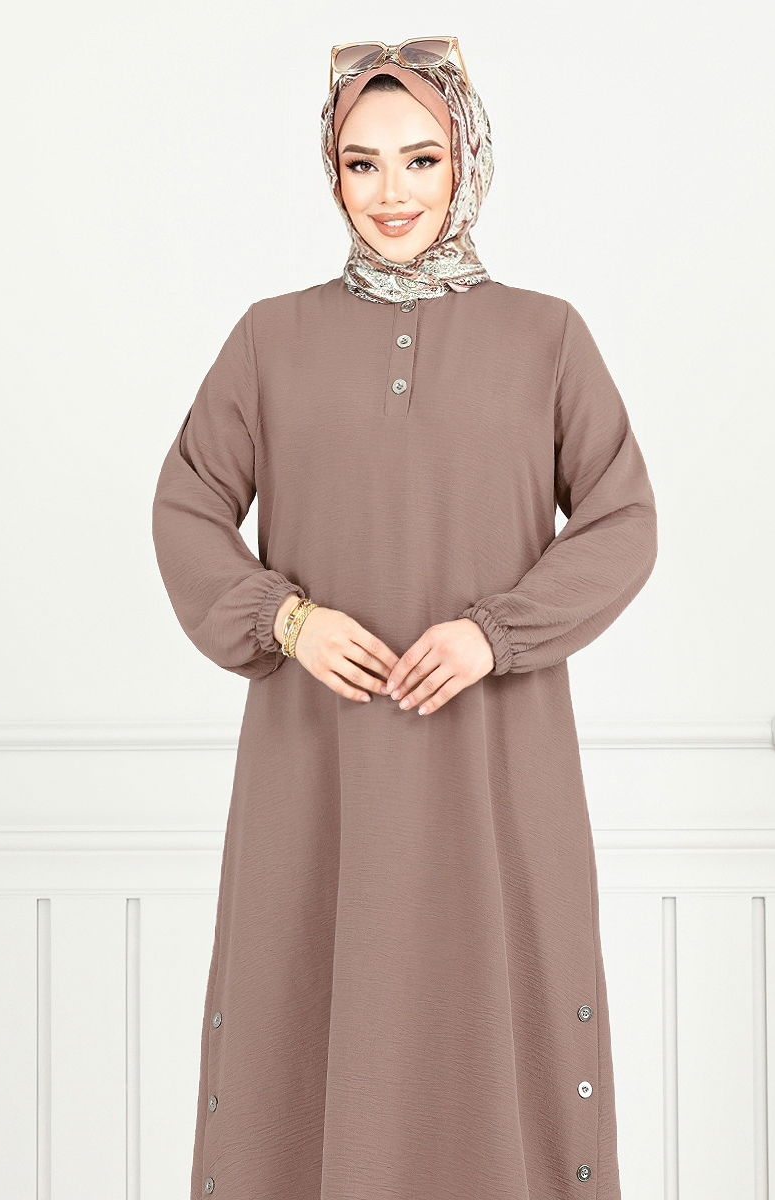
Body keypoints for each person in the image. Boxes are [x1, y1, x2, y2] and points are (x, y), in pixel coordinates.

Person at [151, 37, 657, 1200]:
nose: (391, 192)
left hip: (494, 764)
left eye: (420, 158)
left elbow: (622, 520)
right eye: (361, 162)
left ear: (464, 159)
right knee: (303, 1010)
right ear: (329, 172)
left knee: (501, 1008)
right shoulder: (269, 339)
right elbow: (186, 508)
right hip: (317, 768)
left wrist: (495, 633)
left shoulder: (546, 337)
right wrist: (285, 621)